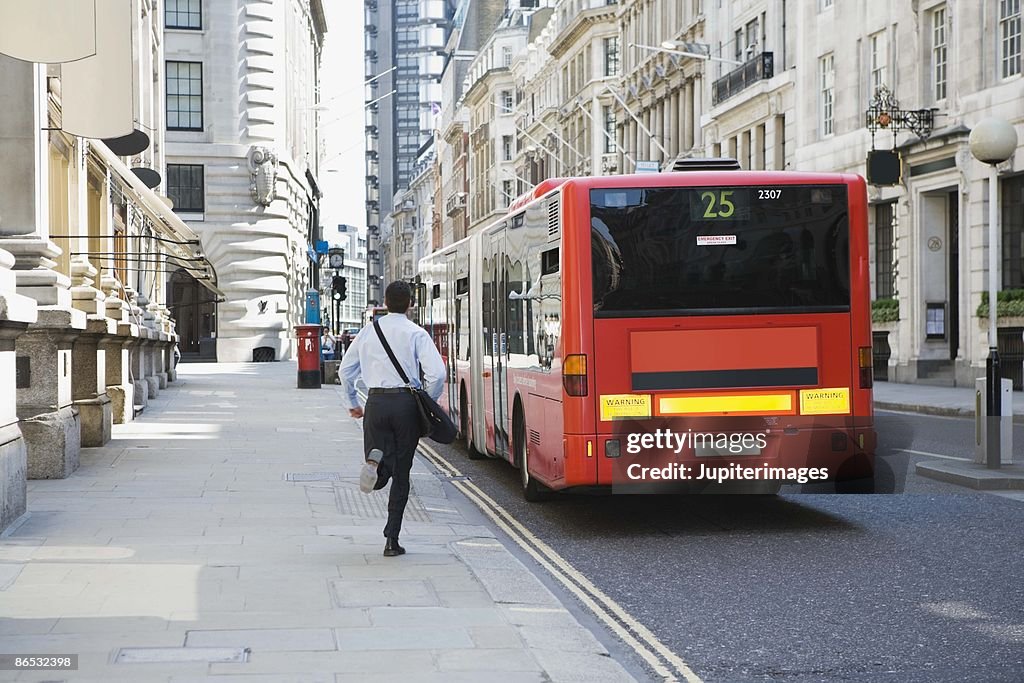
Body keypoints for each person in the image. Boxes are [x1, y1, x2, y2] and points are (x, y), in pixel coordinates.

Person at [338, 281, 446, 556]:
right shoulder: (416, 333)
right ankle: (391, 540)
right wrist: (425, 399)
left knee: (381, 464)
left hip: (374, 402)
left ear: (385, 302)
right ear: (410, 303)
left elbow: (345, 371)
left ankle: (376, 469)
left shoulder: (367, 332)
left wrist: (352, 402)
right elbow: (437, 374)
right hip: (405, 404)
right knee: (403, 473)